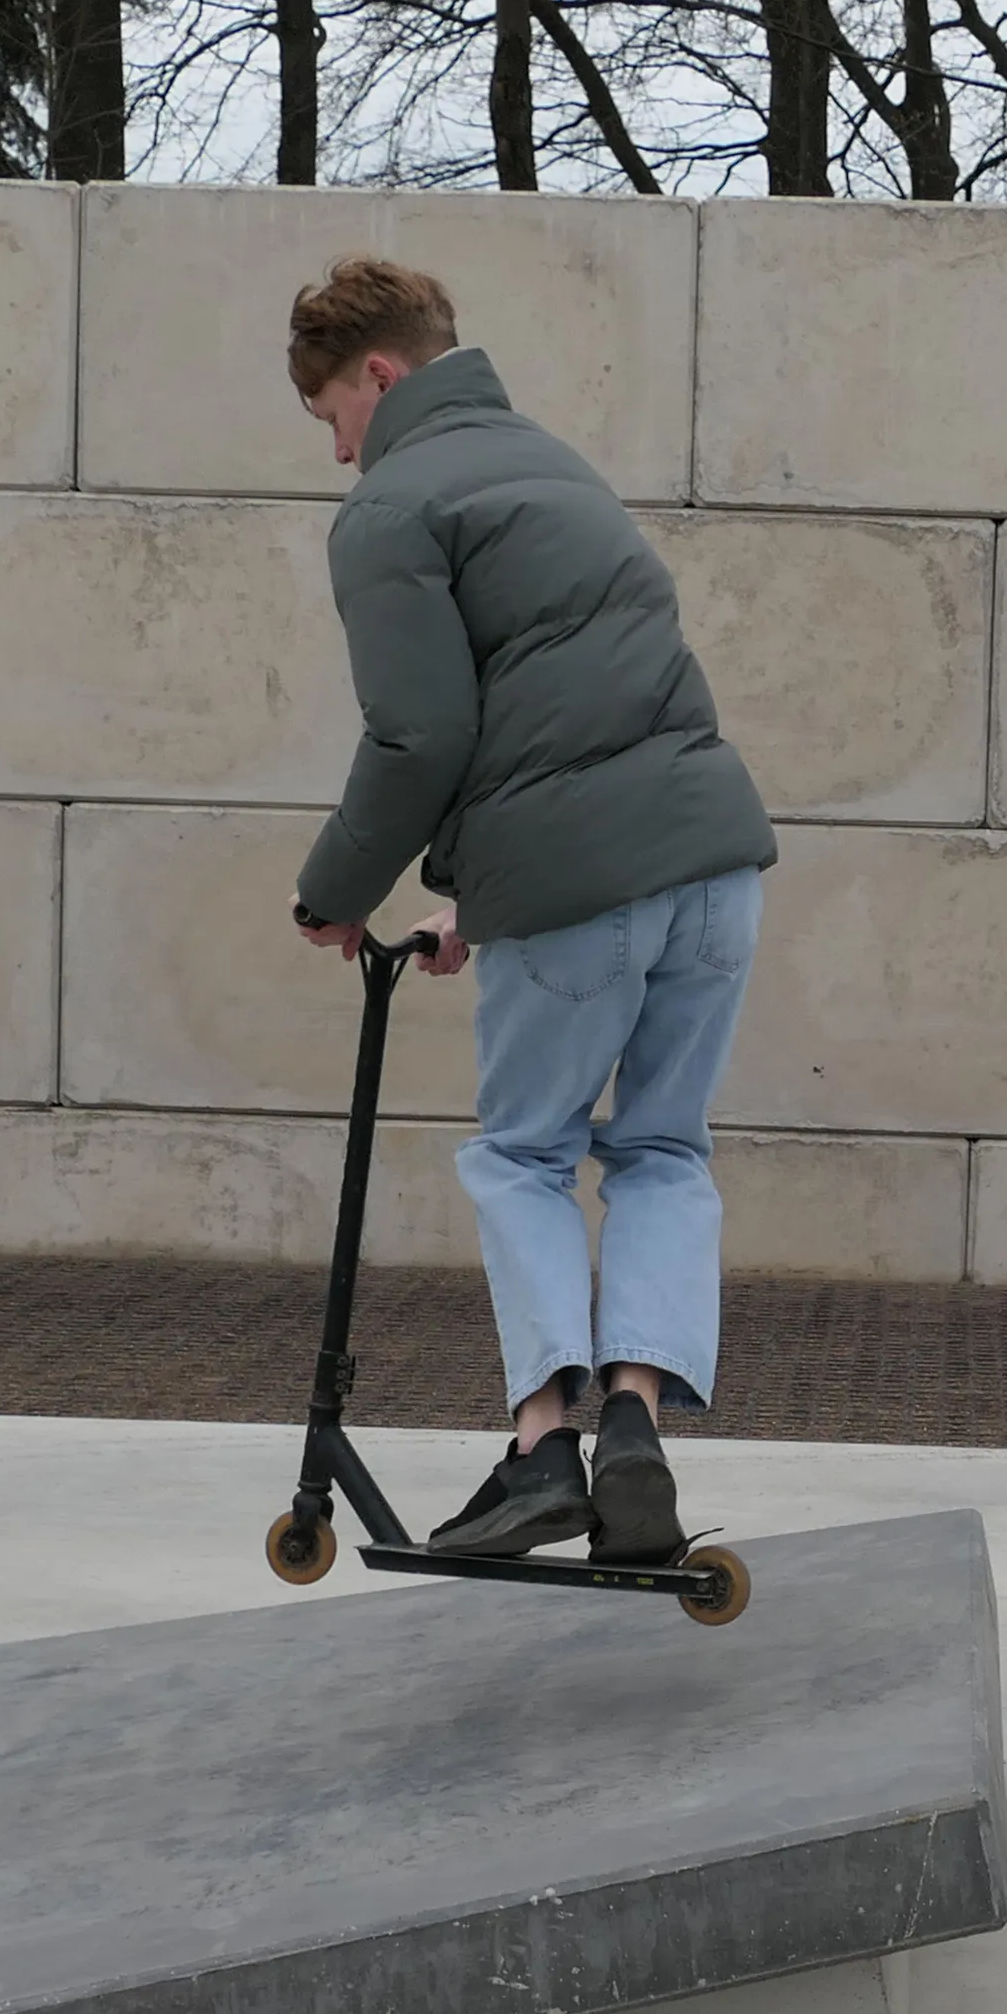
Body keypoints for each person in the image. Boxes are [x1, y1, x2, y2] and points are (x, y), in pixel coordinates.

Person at [282, 256, 779, 1565]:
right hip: (712, 867)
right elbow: (568, 710)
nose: (340, 451)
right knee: (663, 1152)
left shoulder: (393, 508)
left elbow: (420, 735)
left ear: (378, 374)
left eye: (334, 415)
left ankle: (543, 1447)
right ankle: (634, 1426)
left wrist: (336, 894)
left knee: (523, 1157)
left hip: (578, 886)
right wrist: (478, 906)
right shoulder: (556, 467)